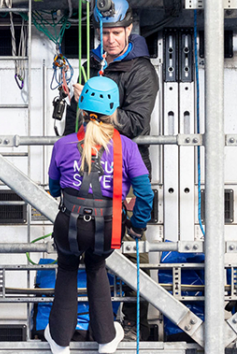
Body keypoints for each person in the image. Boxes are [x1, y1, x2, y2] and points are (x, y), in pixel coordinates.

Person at [44, 77, 155, 354]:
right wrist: (136, 227)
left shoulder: (63, 144)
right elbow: (145, 194)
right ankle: (106, 339)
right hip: (108, 227)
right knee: (96, 268)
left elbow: (54, 187)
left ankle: (59, 341)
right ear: (114, 112)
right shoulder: (127, 147)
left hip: (68, 223)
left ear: (81, 108)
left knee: (67, 269)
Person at [62, 0, 158, 172]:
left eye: (116, 33)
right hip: (91, 162)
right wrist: (68, 155)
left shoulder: (142, 71)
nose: (111, 40)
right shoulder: (89, 66)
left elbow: (137, 124)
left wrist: (93, 105)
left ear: (128, 29)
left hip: (127, 165)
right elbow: (73, 117)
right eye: (105, 33)